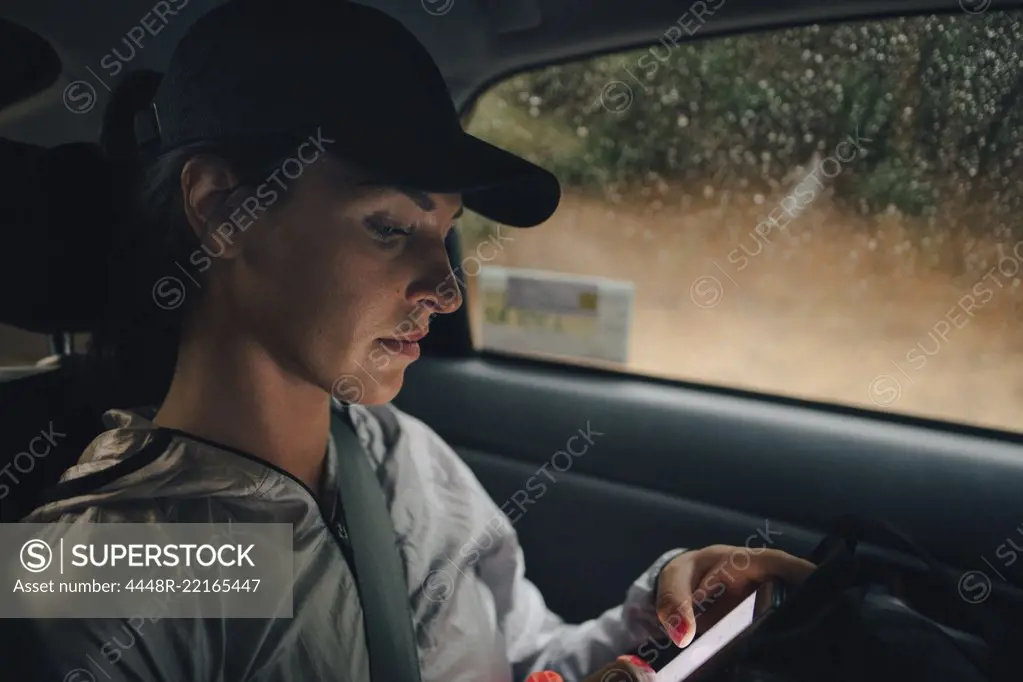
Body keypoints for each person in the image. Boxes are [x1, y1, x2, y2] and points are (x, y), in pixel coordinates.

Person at [13, 0, 814, 680]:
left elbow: (524, 657)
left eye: (445, 232)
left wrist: (659, 623)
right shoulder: (99, 569)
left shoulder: (408, 460)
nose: (446, 287)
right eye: (389, 227)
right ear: (224, 209)